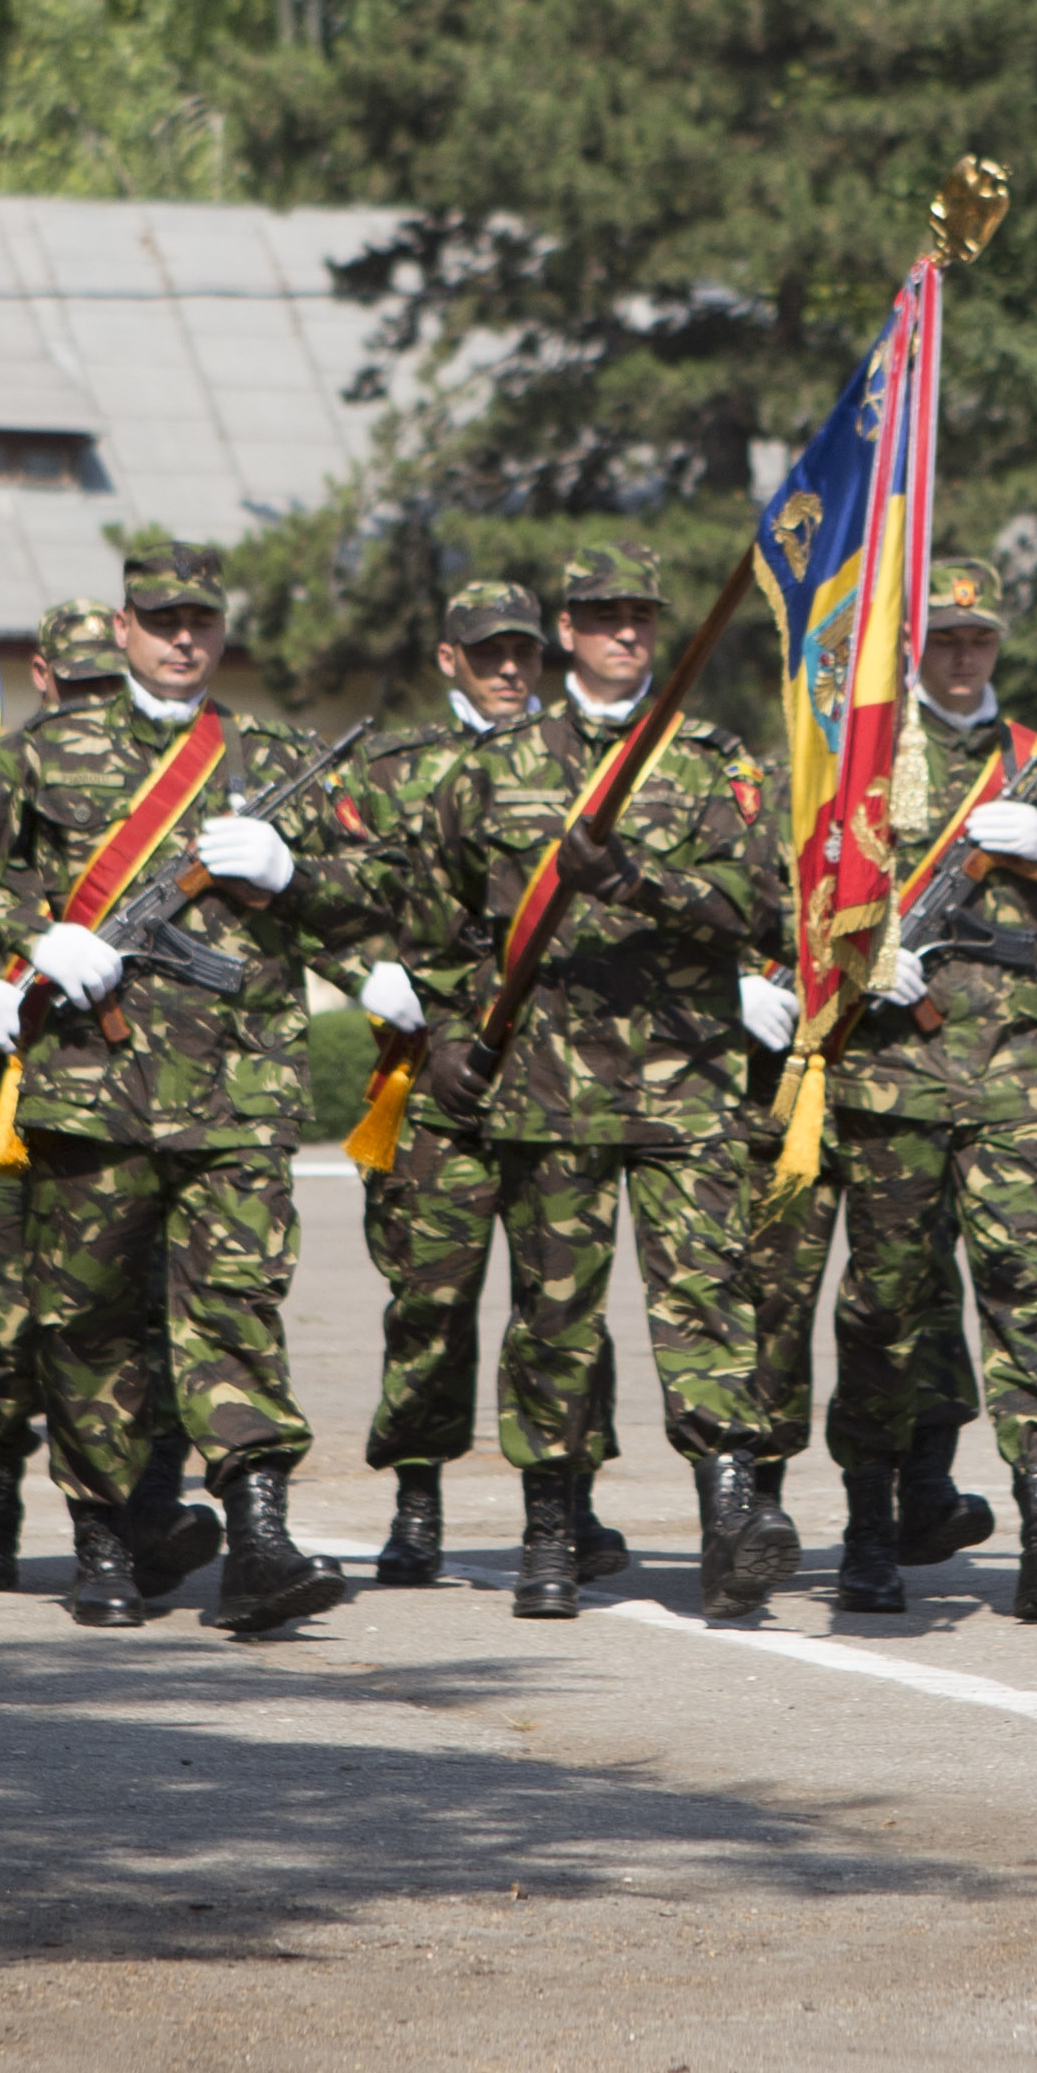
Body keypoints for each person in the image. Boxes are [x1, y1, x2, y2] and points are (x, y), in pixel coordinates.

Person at [0, 544, 380, 1632]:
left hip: (240, 1092)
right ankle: (103, 1537)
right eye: (161, 619)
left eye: (200, 619)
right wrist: (31, 933)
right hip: (91, 1094)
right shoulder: (47, 753)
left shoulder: (274, 756)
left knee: (236, 1311)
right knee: (89, 1321)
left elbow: (380, 897)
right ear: (124, 627)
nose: (182, 637)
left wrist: (296, 874)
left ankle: (259, 1539)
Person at [407, 542, 784, 1619]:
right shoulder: (494, 766)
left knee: (706, 1301)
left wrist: (636, 881)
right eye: (603, 614)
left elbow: (758, 908)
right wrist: (446, 1035)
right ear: (564, 630)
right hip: (547, 1090)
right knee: (554, 1319)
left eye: (642, 615)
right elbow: (434, 921)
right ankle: (550, 1529)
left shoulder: (707, 760)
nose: (626, 631)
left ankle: (730, 1520)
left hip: (685, 1085)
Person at [800, 557, 1037, 1619]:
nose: (961, 655)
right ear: (916, 646)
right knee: (884, 1300)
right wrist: (862, 958)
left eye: (977, 638)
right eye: (943, 638)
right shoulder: (870, 757)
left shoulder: (1033, 761)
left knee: (1016, 1287)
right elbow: (805, 891)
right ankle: (869, 1524)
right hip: (890, 1073)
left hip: (1009, 1074)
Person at [0, 600, 203, 1598]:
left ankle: (139, 1510)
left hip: (139, 1089)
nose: (95, 712)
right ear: (42, 678)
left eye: (111, 691)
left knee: (133, 1309)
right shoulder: (3, 776)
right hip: (10, 1090)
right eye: (81, 690)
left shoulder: (172, 786)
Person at [345, 580, 633, 1589]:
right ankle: (416, 1497)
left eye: (523, 652)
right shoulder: (391, 770)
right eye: (486, 653)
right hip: (436, 1068)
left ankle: (567, 1500)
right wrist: (370, 975)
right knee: (429, 1293)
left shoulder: (584, 760)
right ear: (447, 659)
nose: (508, 669)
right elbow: (344, 897)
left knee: (563, 1295)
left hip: (559, 1067)